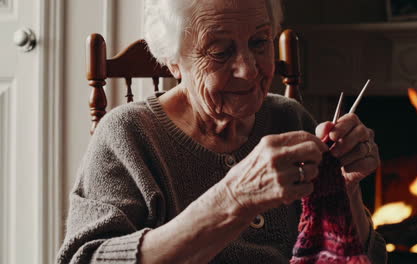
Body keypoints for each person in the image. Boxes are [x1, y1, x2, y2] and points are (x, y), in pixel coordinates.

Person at [57, 0, 387, 263]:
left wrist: (345, 193)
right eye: (219, 51)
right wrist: (234, 197)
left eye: (259, 42)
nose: (248, 70)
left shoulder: (290, 118)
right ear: (173, 61)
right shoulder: (128, 136)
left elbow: (360, 257)